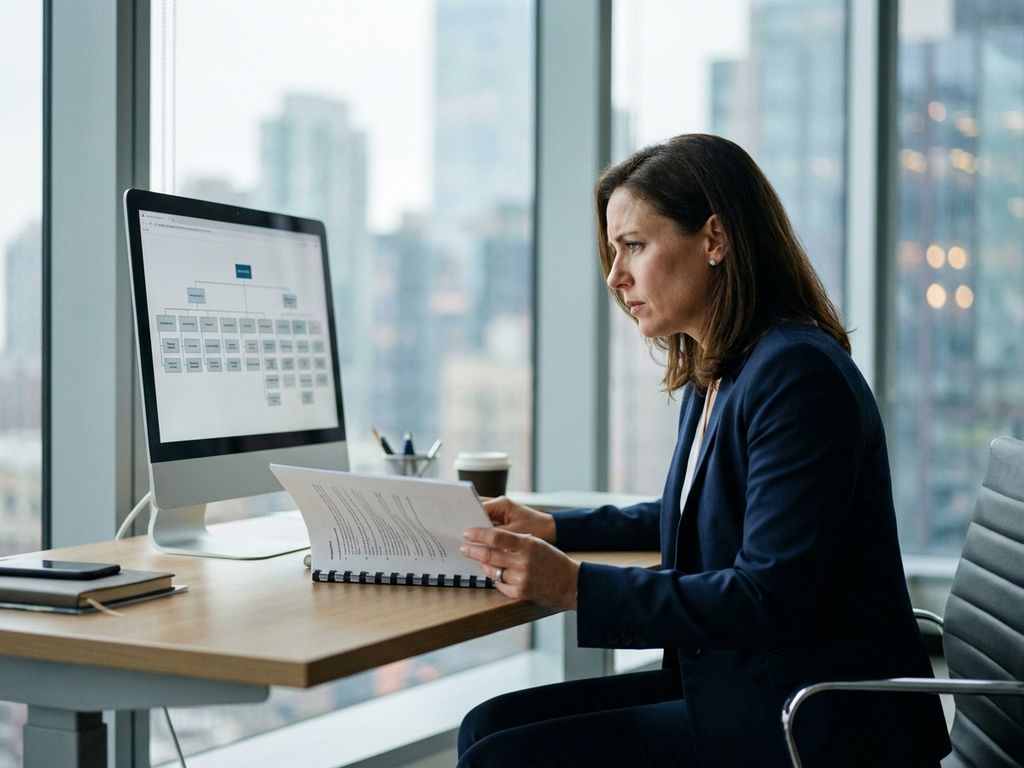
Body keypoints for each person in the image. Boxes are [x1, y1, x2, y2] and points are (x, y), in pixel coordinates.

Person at [457, 134, 951, 768]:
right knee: (488, 725)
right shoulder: (719, 369)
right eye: (613, 252)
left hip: (810, 718)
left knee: (503, 756)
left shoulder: (797, 375)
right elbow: (694, 514)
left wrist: (577, 586)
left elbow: (765, 597)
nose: (615, 276)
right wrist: (554, 527)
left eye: (634, 246)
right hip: (743, 685)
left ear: (714, 240)